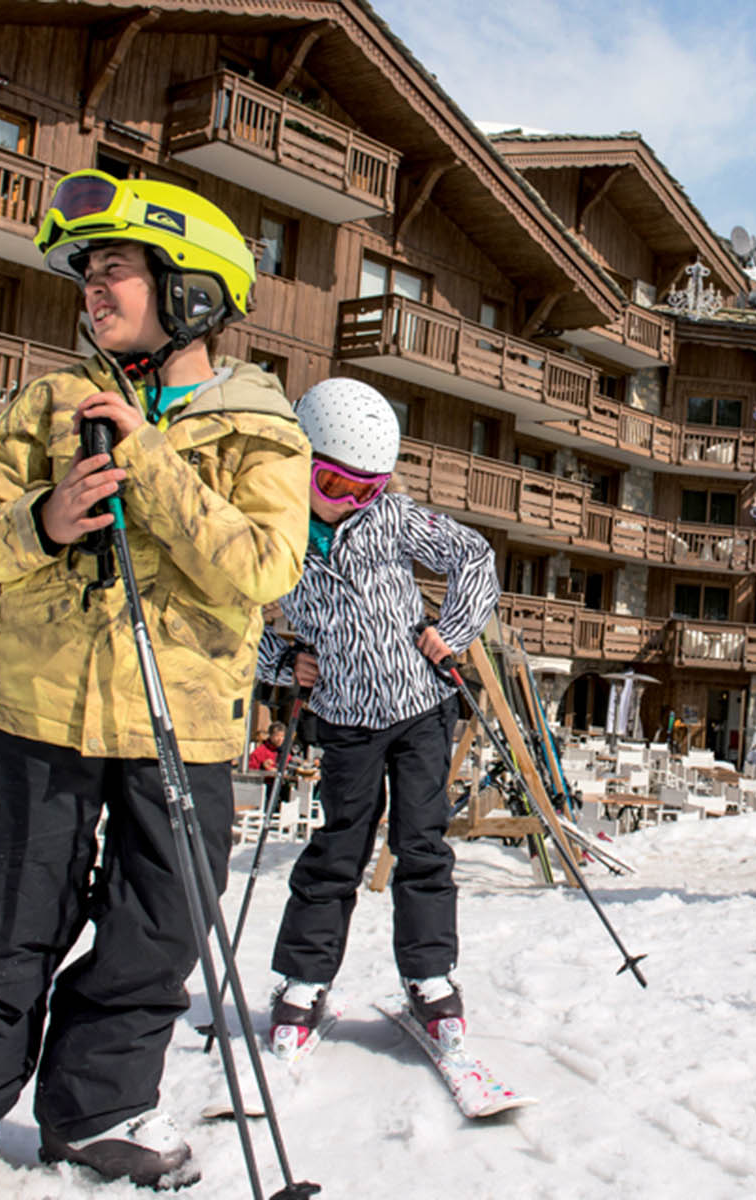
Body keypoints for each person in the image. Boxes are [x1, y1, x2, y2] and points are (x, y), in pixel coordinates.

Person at [0, 170, 309, 1200]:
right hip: (41, 715)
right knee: (3, 915)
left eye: (116, 270)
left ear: (193, 291)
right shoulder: (49, 404)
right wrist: (41, 521)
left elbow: (265, 567)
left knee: (156, 926)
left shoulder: (264, 428)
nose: (93, 290)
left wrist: (155, 469)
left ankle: (102, 1108)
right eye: (87, 274)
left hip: (187, 731)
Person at [258, 376, 500, 1063]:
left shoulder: (393, 519)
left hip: (421, 708)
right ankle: (303, 981)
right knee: (339, 849)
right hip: (344, 720)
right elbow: (234, 617)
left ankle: (430, 978)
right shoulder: (273, 535)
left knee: (423, 846)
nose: (353, 504)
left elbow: (474, 557)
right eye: (336, 487)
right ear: (300, 465)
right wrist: (285, 663)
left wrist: (451, 630)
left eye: (369, 489)